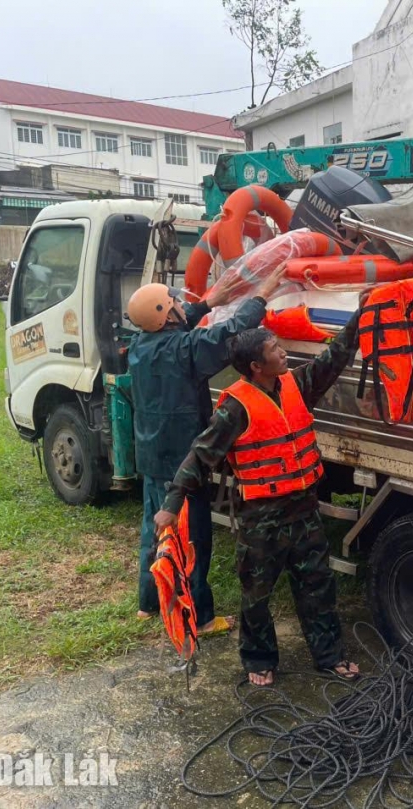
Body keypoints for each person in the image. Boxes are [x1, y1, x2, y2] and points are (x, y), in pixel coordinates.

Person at [154, 299, 365, 686]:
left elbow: (333, 359)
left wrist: (359, 317)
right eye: (275, 350)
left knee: (318, 587)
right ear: (256, 366)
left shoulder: (295, 384)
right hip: (261, 519)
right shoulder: (234, 407)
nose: (284, 353)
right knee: (256, 595)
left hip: (303, 511)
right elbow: (200, 456)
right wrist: (172, 504)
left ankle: (330, 656)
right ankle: (258, 661)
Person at [126, 266, 286, 634]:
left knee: (156, 528)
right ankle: (200, 616)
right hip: (183, 459)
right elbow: (228, 334)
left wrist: (210, 302)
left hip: (152, 453)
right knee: (193, 538)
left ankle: (149, 602)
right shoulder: (185, 350)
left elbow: (179, 327)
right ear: (167, 315)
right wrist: (261, 295)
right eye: (175, 304)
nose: (182, 305)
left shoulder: (140, 346)